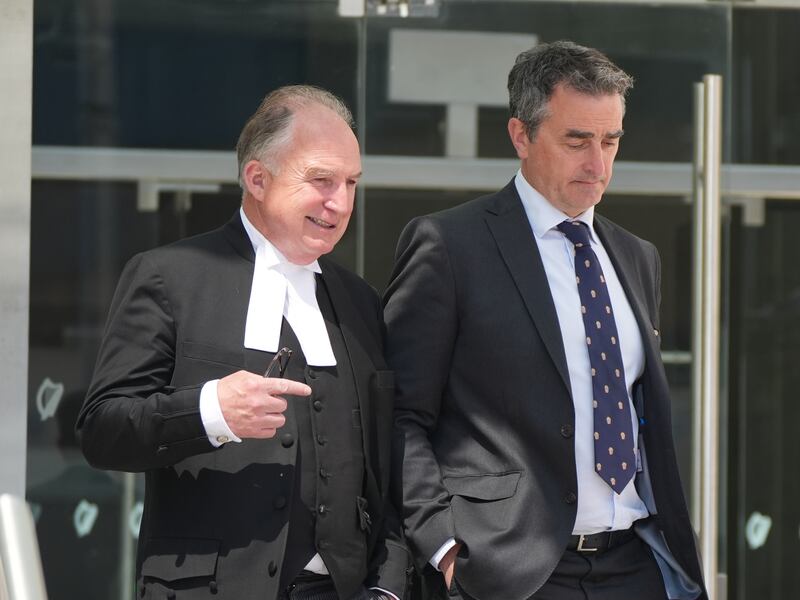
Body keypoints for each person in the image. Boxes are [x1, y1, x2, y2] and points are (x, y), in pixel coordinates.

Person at [383, 41, 705, 600]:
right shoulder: (450, 245)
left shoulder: (636, 256)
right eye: (577, 140)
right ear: (520, 136)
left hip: (634, 561)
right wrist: (441, 543)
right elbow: (399, 412)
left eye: (611, 141)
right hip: (507, 569)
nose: (598, 163)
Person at [77, 85, 410, 600]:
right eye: (321, 180)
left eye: (351, 183)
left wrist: (387, 588)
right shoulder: (169, 278)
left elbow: (385, 475)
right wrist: (210, 411)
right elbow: (102, 430)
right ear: (257, 178)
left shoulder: (362, 302)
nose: (340, 203)